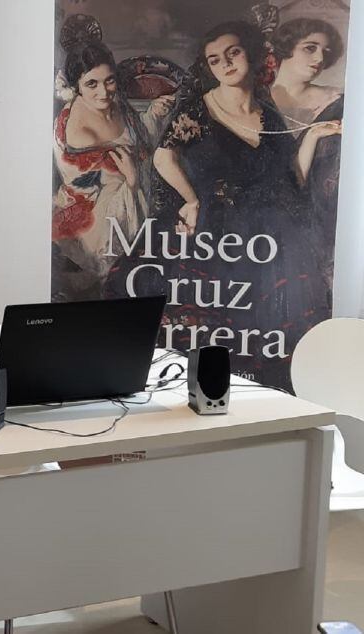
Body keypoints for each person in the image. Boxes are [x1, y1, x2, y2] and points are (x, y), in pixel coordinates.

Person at [141, 21, 333, 386]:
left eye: (233, 53)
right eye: (215, 60)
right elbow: (163, 158)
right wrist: (191, 199)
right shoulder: (198, 110)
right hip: (219, 229)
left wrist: (312, 136)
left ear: (250, 54)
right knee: (215, 324)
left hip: (268, 230)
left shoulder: (267, 112)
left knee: (267, 324)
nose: (226, 64)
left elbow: (292, 178)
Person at [52, 40, 173, 300]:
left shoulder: (114, 103)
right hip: (97, 217)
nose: (103, 92)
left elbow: (138, 143)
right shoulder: (81, 132)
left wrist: (154, 114)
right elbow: (113, 189)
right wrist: (132, 180)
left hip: (129, 190)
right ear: (77, 86)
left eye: (109, 81)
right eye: (91, 84)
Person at [271, 18, 345, 276]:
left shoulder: (340, 103)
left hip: (320, 226)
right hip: (265, 226)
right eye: (310, 48)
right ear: (286, 47)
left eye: (325, 51)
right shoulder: (253, 101)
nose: (319, 58)